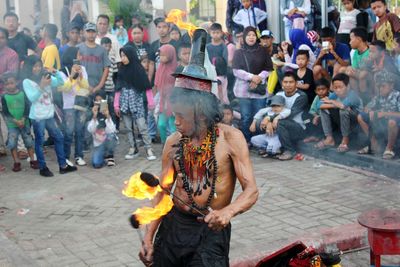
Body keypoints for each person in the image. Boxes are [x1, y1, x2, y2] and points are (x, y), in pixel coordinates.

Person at [139, 29, 258, 267]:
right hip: (174, 226)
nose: (176, 122)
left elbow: (251, 191)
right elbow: (163, 192)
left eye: (182, 116)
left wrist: (227, 212)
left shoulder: (231, 139)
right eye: (175, 115)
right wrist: (149, 237)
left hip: (210, 231)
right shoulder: (174, 142)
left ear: (201, 112)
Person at [22, 55, 77, 177]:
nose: (37, 68)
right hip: (37, 117)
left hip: (49, 114)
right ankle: (42, 167)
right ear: (29, 67)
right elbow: (32, 98)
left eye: (39, 66)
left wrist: (55, 72)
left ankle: (63, 166)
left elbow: (61, 83)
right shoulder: (26, 81)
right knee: (40, 141)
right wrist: (41, 86)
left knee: (59, 137)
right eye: (34, 66)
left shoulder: (45, 76)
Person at [114, 46, 156, 161]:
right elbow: (118, 89)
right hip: (124, 103)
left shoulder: (139, 70)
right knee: (128, 127)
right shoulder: (121, 70)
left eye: (124, 55)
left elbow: (147, 87)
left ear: (130, 55)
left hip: (136, 103)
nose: (122, 58)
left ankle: (148, 148)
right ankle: (133, 148)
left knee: (142, 126)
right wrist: (116, 105)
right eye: (121, 56)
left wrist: (150, 102)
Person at [232, 26, 273, 143]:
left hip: (259, 91)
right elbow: (236, 71)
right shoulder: (239, 52)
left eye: (253, 35)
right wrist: (252, 77)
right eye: (248, 35)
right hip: (244, 91)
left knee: (259, 116)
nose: (251, 37)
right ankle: (247, 140)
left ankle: (258, 141)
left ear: (257, 37)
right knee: (246, 117)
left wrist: (259, 78)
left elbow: (269, 68)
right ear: (244, 37)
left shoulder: (263, 51)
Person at [357, 71, 400, 159]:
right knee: (360, 116)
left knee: (392, 121)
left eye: (383, 86)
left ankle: (389, 148)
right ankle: (374, 145)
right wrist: (370, 110)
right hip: (382, 125)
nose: (380, 89)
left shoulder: (398, 96)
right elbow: (366, 108)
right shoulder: (378, 97)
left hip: (395, 124)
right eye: (379, 86)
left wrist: (384, 113)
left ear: (391, 86)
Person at [1, 72, 38, 172]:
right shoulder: (4, 97)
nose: (9, 86)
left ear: (16, 82)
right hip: (12, 124)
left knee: (28, 141)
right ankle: (16, 162)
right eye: (7, 84)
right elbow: (5, 112)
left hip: (24, 122)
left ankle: (33, 160)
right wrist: (15, 121)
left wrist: (23, 119)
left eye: (11, 83)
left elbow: (27, 107)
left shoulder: (22, 93)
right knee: (13, 143)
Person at [316, 73, 362, 153]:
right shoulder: (334, 95)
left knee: (343, 110)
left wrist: (331, 102)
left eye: (340, 87)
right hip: (342, 123)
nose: (337, 90)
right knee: (324, 110)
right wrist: (334, 104)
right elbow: (319, 105)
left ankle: (345, 140)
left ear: (348, 87)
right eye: (335, 87)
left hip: (356, 125)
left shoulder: (352, 95)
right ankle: (329, 138)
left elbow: (343, 106)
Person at [59, 46, 89, 166]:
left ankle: (79, 156)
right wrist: (71, 76)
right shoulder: (62, 71)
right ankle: (66, 156)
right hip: (69, 105)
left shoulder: (83, 69)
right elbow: (64, 88)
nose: (80, 58)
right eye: (78, 55)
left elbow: (86, 86)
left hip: (80, 104)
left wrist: (80, 76)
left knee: (80, 131)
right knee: (69, 131)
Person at [274, 72, 308, 160]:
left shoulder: (301, 96)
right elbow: (271, 110)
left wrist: (275, 118)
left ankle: (289, 151)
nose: (288, 85)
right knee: (260, 122)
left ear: (296, 83)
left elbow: (291, 113)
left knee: (280, 122)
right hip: (281, 124)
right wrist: (268, 119)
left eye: (291, 82)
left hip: (298, 128)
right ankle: (269, 147)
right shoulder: (279, 94)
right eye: (285, 82)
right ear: (282, 83)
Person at [155, 44, 178, 144]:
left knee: (173, 127)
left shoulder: (176, 69)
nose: (161, 58)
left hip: (173, 101)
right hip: (162, 101)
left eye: (164, 55)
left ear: (171, 55)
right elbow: (156, 84)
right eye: (161, 55)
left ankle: (174, 146)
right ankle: (165, 144)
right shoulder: (160, 67)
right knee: (161, 125)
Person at [78, 22, 111, 94]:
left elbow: (106, 68)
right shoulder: (78, 48)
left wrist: (99, 86)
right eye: (88, 31)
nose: (91, 34)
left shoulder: (102, 50)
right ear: (84, 33)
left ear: (97, 33)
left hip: (98, 88)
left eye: (93, 31)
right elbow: (75, 68)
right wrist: (85, 85)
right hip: (81, 87)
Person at [87, 92, 117, 168]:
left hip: (107, 140)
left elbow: (112, 130)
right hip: (98, 143)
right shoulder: (92, 113)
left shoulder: (109, 111)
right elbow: (91, 130)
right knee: (96, 164)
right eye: (97, 100)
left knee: (111, 135)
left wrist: (107, 115)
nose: (99, 102)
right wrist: (94, 116)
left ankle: (110, 156)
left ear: (104, 101)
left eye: (101, 100)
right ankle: (103, 156)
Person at [341, 27, 370, 94]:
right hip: (359, 74)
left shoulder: (370, 52)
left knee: (358, 74)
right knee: (344, 70)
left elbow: (366, 70)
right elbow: (354, 68)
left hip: (368, 76)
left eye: (351, 39)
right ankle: (357, 97)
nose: (349, 42)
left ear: (359, 39)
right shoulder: (355, 52)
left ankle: (363, 97)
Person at [304, 77, 331, 143]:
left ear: (328, 89)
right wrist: (316, 116)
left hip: (327, 119)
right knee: (305, 117)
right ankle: (313, 135)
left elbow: (330, 113)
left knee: (321, 120)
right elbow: (312, 110)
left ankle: (323, 137)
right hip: (318, 117)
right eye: (318, 90)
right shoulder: (317, 97)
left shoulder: (331, 96)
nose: (321, 91)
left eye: (323, 89)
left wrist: (318, 117)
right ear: (315, 91)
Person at [100, 37, 119, 129]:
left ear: (111, 47)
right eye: (104, 46)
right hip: (102, 89)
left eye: (108, 46)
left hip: (111, 89)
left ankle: (114, 127)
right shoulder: (99, 59)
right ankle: (104, 127)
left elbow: (115, 74)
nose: (106, 48)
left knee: (112, 108)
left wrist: (116, 88)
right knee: (103, 108)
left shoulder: (112, 59)